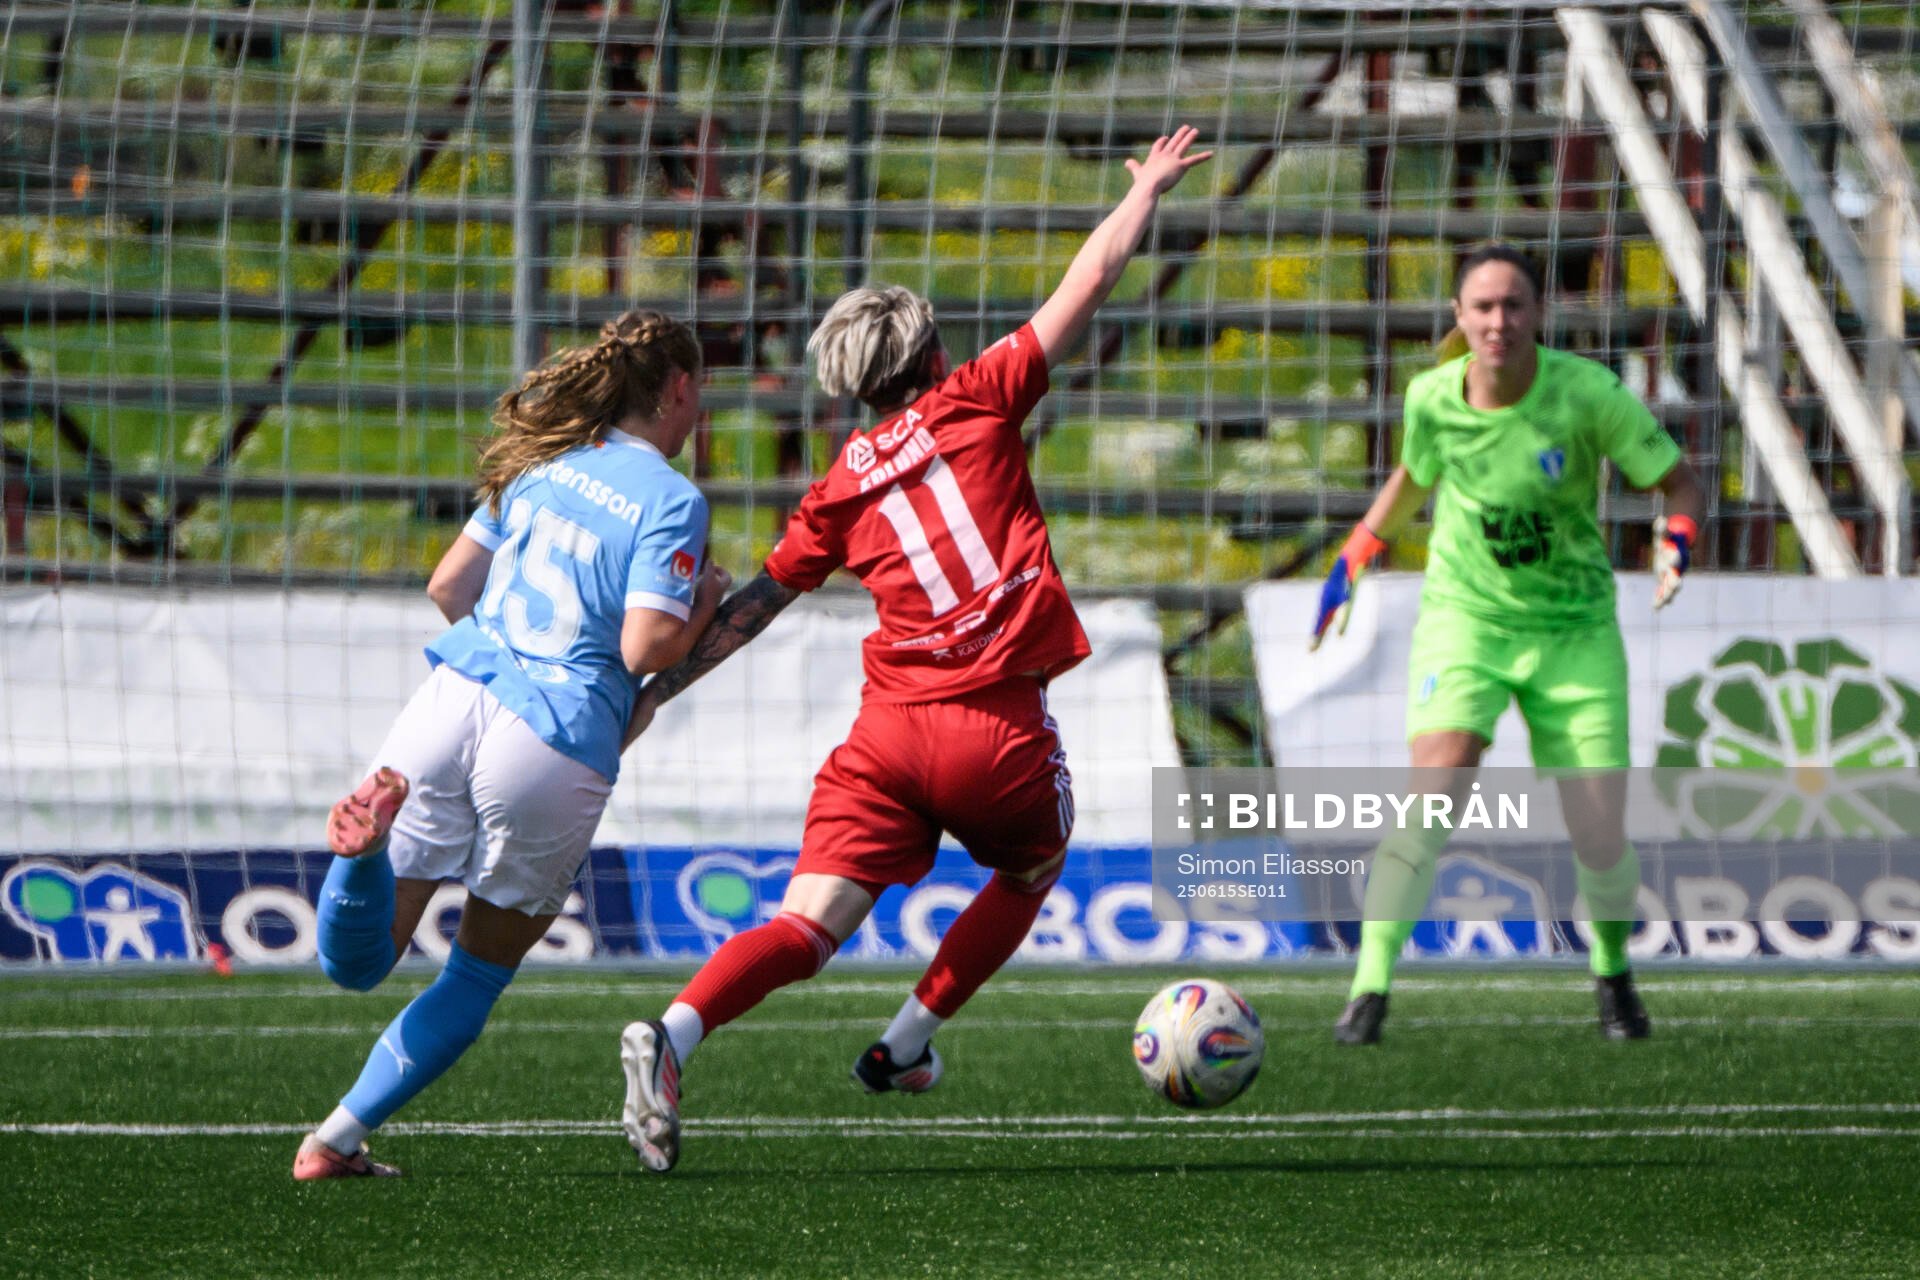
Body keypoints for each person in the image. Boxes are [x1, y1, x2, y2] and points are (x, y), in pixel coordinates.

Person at [614, 127, 1214, 1173]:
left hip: (887, 735)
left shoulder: (835, 491)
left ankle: (675, 1030)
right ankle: (904, 1042)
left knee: (808, 926)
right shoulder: (978, 396)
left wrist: (662, 687)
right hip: (994, 728)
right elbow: (1090, 279)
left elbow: (755, 604)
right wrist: (1144, 192)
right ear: (934, 355)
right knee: (1033, 865)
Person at [292, 310, 729, 1179]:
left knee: (363, 961)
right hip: (554, 736)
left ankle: (364, 856)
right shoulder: (671, 498)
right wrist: (706, 606)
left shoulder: (544, 455)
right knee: (475, 974)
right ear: (678, 390)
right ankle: (332, 1140)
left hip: (453, 699)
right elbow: (645, 647)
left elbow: (449, 586)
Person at [1312, 243, 1706, 1046]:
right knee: (1434, 788)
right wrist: (1356, 552)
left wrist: (1678, 537)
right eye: (1483, 307)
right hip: (1467, 621)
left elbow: (1680, 482)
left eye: (1514, 305)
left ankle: (1611, 972)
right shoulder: (1431, 397)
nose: (1499, 321)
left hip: (1574, 630)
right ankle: (1369, 987)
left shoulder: (1589, 394)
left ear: (1539, 314)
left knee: (1599, 831)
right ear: (1459, 318)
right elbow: (1415, 476)